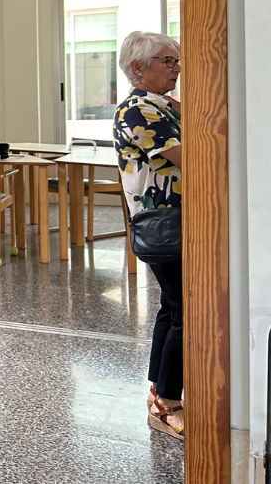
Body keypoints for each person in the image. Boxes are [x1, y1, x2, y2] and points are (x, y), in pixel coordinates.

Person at [113, 30, 184, 441]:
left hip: (175, 222)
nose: (176, 68)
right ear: (138, 68)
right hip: (163, 224)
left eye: (177, 61)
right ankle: (168, 400)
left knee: (171, 306)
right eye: (167, 61)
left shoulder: (161, 105)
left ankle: (159, 390)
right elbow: (191, 155)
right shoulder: (139, 110)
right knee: (183, 310)